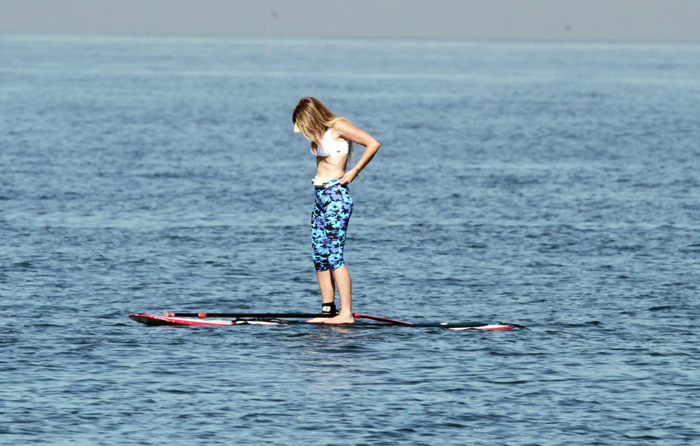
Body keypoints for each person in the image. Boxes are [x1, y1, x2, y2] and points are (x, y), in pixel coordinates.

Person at [292, 97, 380, 324]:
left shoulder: (338, 127)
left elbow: (372, 143)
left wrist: (355, 171)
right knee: (319, 255)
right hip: (320, 196)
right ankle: (328, 311)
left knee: (334, 255)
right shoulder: (319, 133)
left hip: (336, 196)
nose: (303, 131)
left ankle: (346, 314)